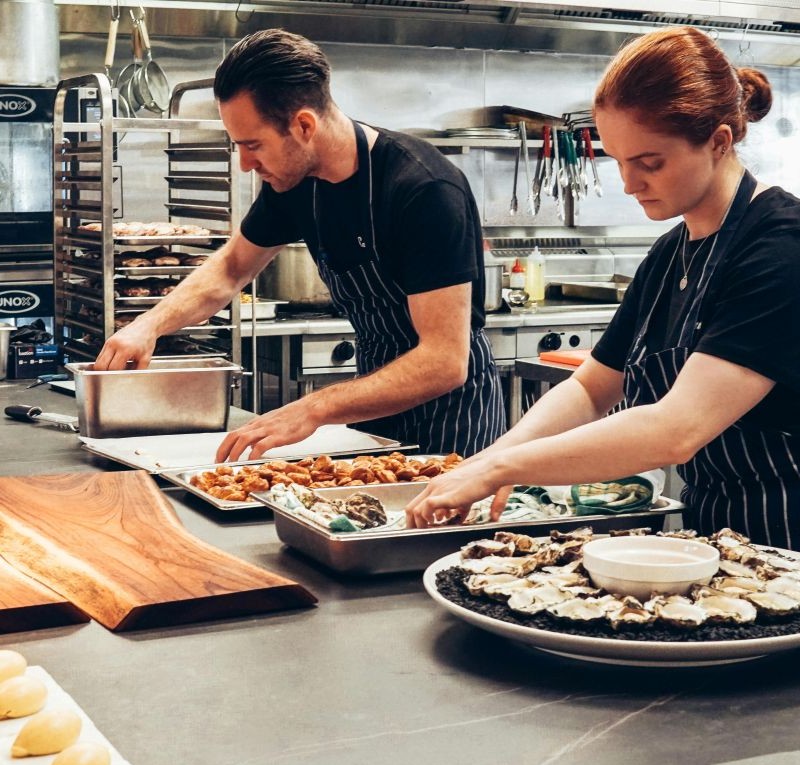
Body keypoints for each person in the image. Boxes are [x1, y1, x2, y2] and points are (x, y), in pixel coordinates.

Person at [406, 26, 800, 549]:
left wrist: (504, 466)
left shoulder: (780, 247)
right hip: (720, 542)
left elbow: (676, 429)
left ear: (719, 141)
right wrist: (488, 463)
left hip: (789, 542)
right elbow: (592, 388)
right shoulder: (670, 254)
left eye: (649, 162)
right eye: (618, 160)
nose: (629, 183)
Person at [93, 29, 505, 461]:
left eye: (253, 145)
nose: (246, 164)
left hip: (454, 422)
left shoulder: (422, 188)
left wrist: (314, 407)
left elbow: (444, 361)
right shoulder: (295, 184)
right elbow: (232, 267)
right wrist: (148, 326)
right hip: (373, 405)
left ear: (304, 125)